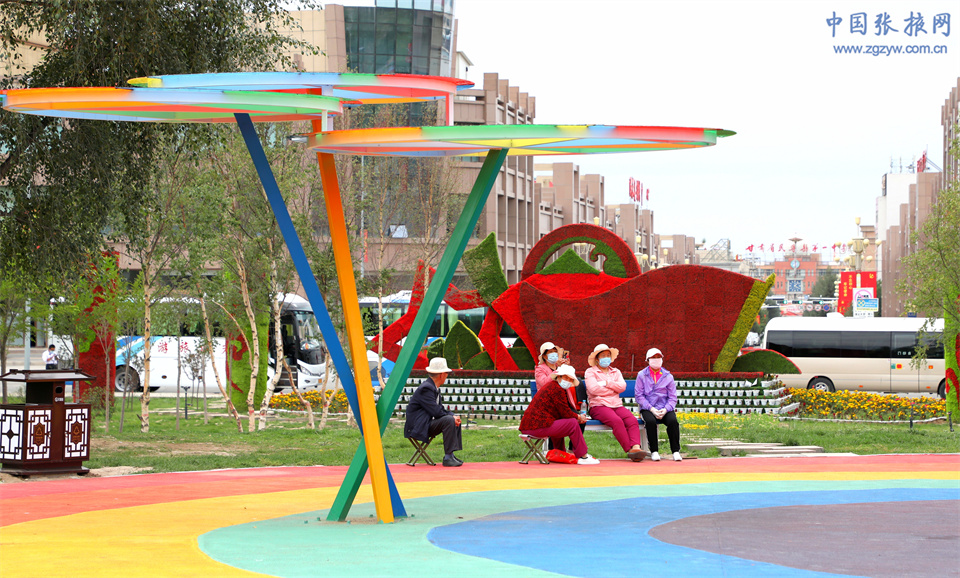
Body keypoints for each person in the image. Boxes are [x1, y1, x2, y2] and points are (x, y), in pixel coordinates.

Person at [520, 364, 599, 465]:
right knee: (572, 423)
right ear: (558, 377)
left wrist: (577, 417)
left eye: (570, 379)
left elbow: (562, 413)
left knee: (561, 421)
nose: (568, 381)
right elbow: (565, 412)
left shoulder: (553, 386)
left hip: (531, 426)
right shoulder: (557, 389)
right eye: (566, 377)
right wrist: (579, 417)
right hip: (536, 427)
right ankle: (583, 455)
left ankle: (560, 453)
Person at [584, 344, 644, 461]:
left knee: (631, 420)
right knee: (617, 421)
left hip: (616, 405)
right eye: (603, 355)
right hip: (598, 406)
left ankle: (636, 447)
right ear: (597, 358)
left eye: (608, 355)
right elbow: (593, 389)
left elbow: (622, 387)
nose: (606, 358)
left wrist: (607, 383)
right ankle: (630, 450)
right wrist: (613, 390)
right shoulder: (590, 372)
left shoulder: (616, 371)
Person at [404, 357, 463, 467]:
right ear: (441, 375)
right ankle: (448, 457)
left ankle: (451, 454)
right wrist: (451, 417)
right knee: (449, 420)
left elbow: (439, 408)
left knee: (453, 418)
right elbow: (436, 412)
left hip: (425, 423)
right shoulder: (426, 388)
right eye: (446, 373)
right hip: (418, 427)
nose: (447, 376)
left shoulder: (433, 387)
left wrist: (453, 415)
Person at [534, 341, 584, 451]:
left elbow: (571, 382)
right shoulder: (540, 369)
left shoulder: (560, 367)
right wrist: (558, 370)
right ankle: (554, 451)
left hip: (563, 402)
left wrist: (567, 368)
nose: (553, 354)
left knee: (581, 420)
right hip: (549, 405)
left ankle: (573, 449)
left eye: (555, 352)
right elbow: (544, 383)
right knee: (556, 420)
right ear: (544, 356)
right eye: (550, 352)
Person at [634, 347, 682, 462]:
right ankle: (654, 451)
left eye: (658, 357)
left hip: (664, 407)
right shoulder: (642, 375)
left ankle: (675, 451)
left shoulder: (668, 376)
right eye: (653, 357)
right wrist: (651, 409)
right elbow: (639, 396)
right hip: (648, 408)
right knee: (650, 421)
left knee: (673, 421)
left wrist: (665, 409)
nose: (656, 359)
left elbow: (672, 397)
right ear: (648, 360)